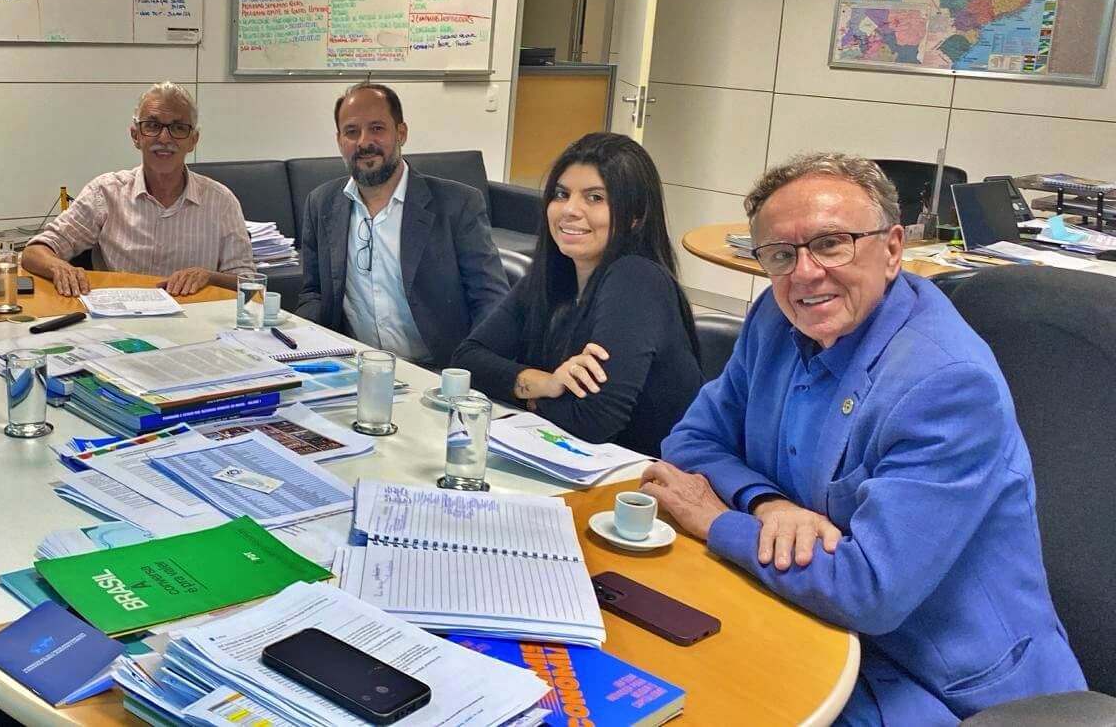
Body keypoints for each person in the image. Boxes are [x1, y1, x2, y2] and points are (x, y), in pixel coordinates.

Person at [640, 153, 1084, 725]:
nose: (804, 274)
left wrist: (719, 521)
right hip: (805, 620)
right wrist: (768, 505)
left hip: (941, 682)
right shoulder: (775, 320)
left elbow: (868, 588)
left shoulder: (946, 383)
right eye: (780, 254)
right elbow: (693, 440)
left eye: (831, 244)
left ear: (893, 249)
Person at [451, 133, 700, 455]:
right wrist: (548, 383)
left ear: (635, 216)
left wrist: (531, 397)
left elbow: (593, 422)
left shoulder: (636, 279)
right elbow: (467, 360)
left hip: (639, 474)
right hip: (569, 459)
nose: (570, 209)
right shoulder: (555, 276)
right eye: (561, 194)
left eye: (595, 198)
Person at [296, 82, 508, 368]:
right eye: (351, 132)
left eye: (377, 128)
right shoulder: (321, 204)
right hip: (354, 368)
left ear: (401, 133)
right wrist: (298, 343)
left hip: (439, 371)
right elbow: (314, 293)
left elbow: (490, 301)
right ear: (339, 140)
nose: (364, 142)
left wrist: (477, 370)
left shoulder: (457, 205)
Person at [23, 82, 255, 296]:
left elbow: (249, 284)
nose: (164, 138)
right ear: (136, 136)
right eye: (153, 126)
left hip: (198, 320)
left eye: (178, 128)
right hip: (119, 320)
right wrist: (60, 268)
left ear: (193, 140)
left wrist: (208, 277)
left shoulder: (221, 201)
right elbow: (34, 251)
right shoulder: (105, 193)